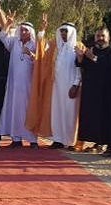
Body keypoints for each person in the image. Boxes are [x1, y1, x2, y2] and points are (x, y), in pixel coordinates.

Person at [27, 17, 82, 150]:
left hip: (71, 87)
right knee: (57, 113)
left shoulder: (78, 46)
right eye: (61, 31)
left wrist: (76, 84)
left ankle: (70, 141)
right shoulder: (55, 46)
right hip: (56, 87)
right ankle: (58, 140)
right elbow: (41, 52)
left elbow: (80, 68)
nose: (63, 34)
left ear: (72, 32)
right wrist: (41, 31)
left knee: (70, 114)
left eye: (66, 31)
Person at [0, 0, 38, 148]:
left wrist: (30, 53)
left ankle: (32, 140)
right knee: (15, 110)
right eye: (22, 30)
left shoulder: (35, 44)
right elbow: (2, 35)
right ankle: (16, 139)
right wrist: (5, 19)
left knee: (28, 110)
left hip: (28, 86)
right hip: (14, 85)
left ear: (30, 32)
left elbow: (41, 62)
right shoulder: (14, 42)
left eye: (26, 30)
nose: (23, 32)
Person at [75, 27, 111, 153]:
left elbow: (110, 63)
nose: (100, 38)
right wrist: (80, 57)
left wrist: (93, 57)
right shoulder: (89, 50)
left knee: (108, 117)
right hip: (91, 90)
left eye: (102, 36)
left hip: (108, 90)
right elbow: (80, 64)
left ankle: (110, 145)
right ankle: (97, 143)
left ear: (108, 38)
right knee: (94, 117)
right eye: (98, 36)